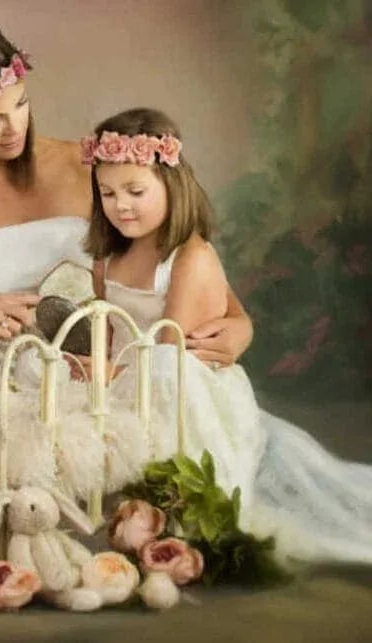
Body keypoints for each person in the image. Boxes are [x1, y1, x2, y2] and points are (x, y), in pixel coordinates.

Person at [82, 106, 372, 565]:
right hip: (125, 383)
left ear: (171, 186)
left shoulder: (190, 257)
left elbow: (167, 355)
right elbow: (105, 328)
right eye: (108, 193)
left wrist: (103, 371)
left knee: (158, 372)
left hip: (181, 391)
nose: (121, 205)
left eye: (136, 190)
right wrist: (89, 366)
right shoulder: (106, 261)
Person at [0, 16, 251, 369]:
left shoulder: (86, 166)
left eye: (22, 104)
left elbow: (185, 262)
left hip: (104, 387)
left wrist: (239, 325)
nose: (15, 129)